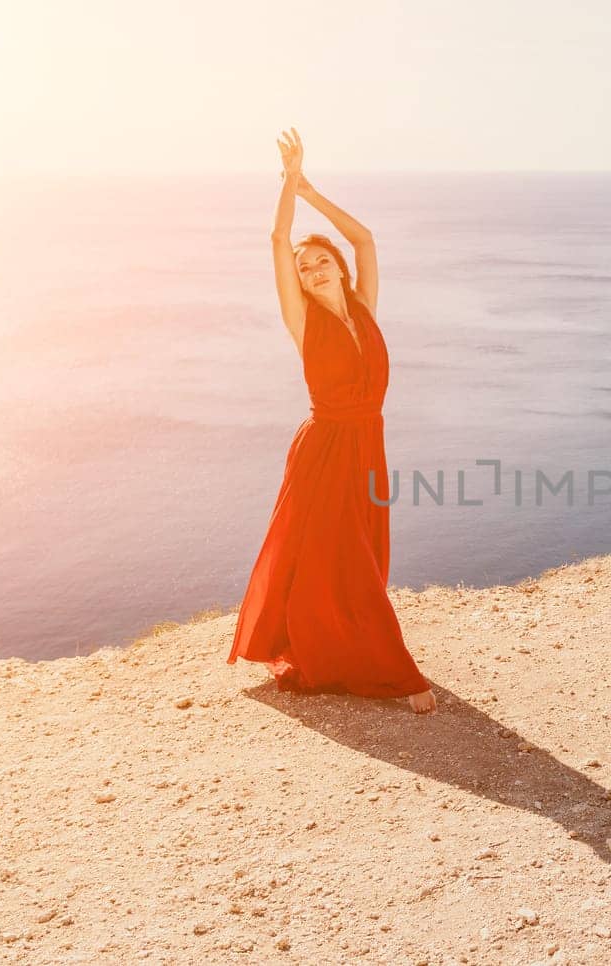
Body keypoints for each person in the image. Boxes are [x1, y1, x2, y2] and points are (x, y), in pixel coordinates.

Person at [228, 128, 437, 715]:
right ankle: (392, 673)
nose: (313, 268)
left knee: (355, 557)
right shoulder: (303, 325)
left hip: (368, 443)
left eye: (322, 260)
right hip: (325, 449)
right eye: (304, 266)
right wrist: (289, 184)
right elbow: (276, 237)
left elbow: (365, 239)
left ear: (340, 270)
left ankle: (332, 646)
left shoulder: (365, 310)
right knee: (339, 556)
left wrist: (313, 190)